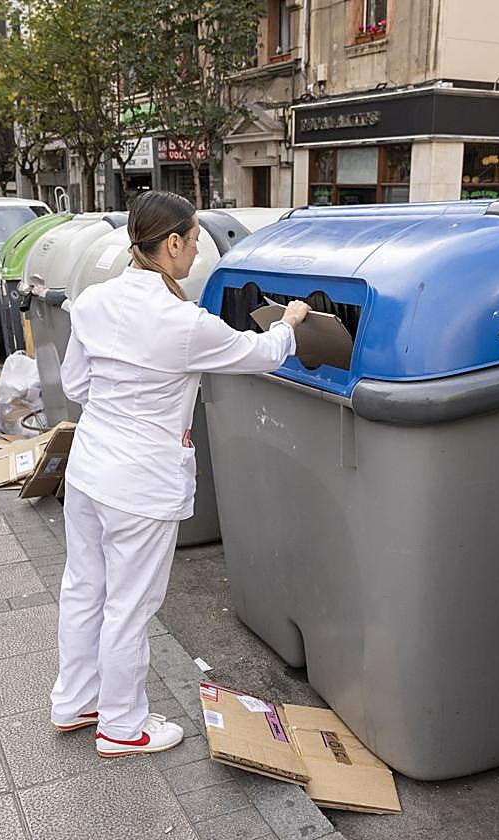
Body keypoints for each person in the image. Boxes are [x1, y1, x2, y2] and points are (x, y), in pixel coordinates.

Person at [48, 191, 310, 757]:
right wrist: (290, 322)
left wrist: (124, 407)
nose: (195, 252)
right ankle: (122, 727)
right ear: (171, 244)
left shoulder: (93, 302)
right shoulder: (183, 323)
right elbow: (261, 353)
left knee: (84, 587)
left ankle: (74, 701)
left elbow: (76, 388)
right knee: (130, 604)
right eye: (193, 242)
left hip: (91, 469)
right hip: (141, 482)